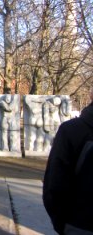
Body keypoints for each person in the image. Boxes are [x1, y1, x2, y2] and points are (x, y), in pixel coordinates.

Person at [43, 88, 93, 234]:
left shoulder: (71, 130)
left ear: (90, 95)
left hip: (79, 225)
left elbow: (54, 185)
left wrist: (63, 224)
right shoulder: (72, 131)